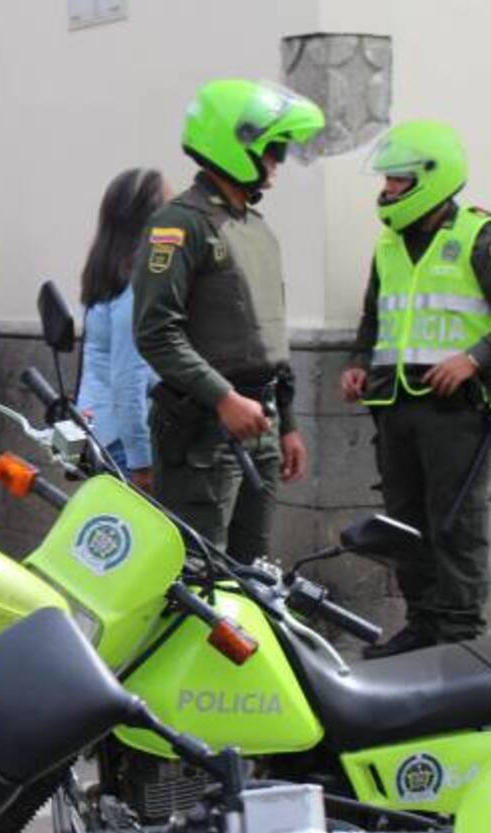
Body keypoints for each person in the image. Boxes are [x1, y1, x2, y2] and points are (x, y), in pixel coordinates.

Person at [341, 121, 491, 658]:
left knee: (456, 525)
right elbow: (373, 319)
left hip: (453, 413)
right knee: (404, 524)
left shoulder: (481, 238)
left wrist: (474, 358)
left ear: (432, 180)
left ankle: (460, 640)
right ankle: (421, 626)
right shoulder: (389, 244)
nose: (388, 189)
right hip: (393, 407)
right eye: (388, 179)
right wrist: (357, 362)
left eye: (399, 180)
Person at [133, 79, 323, 562]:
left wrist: (287, 423)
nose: (279, 161)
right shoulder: (179, 224)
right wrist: (223, 397)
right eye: (273, 149)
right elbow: (156, 333)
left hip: (260, 421)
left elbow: (267, 337)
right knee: (199, 573)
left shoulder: (256, 229)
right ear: (235, 145)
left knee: (252, 573)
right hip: (204, 430)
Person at [76, 168, 170, 494]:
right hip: (122, 441)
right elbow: (128, 380)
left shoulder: (110, 272)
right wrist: (141, 461)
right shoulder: (134, 286)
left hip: (103, 429)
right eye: (170, 206)